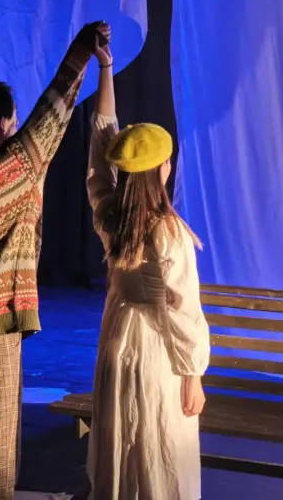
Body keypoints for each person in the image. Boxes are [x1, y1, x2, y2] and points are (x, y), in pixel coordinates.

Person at [0, 21, 108, 500]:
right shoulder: (9, 171)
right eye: (10, 121)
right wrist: (83, 49)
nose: (15, 127)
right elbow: (51, 115)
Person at [84, 30, 210, 500]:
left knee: (123, 448)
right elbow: (182, 308)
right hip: (156, 352)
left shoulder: (111, 217)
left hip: (119, 342)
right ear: (162, 170)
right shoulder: (168, 232)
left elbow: (100, 153)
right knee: (160, 449)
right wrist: (193, 374)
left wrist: (105, 69)